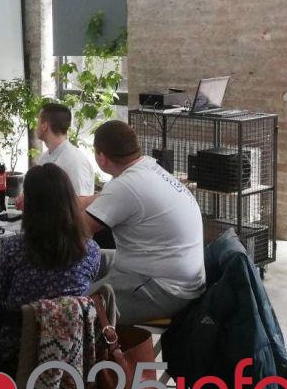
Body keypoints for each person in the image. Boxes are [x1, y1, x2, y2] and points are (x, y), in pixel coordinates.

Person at [0, 102, 97, 326]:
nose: (36, 125)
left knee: (9, 254)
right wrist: (25, 198)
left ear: (45, 125)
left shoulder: (74, 161)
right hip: (38, 228)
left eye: (38, 121)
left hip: (57, 238)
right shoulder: (46, 158)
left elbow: (79, 205)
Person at [0, 164, 100, 368]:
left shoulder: (14, 248)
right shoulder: (91, 251)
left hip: (12, 351)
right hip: (68, 348)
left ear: (31, 205)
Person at [83, 120, 206, 324]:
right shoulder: (146, 168)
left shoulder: (125, 186)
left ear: (101, 158)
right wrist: (59, 199)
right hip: (176, 275)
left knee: (71, 307)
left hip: (165, 289)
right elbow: (96, 201)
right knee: (98, 257)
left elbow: (78, 232)